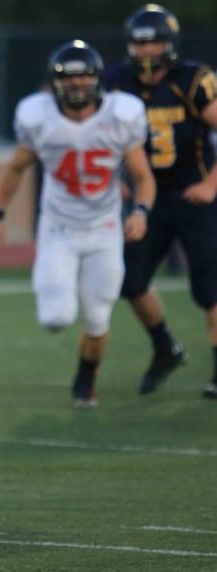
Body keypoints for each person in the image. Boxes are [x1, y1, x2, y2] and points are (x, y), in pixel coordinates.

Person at [0, 41, 155, 408]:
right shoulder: (39, 118)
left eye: (84, 76)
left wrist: (140, 212)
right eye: (69, 77)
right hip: (59, 230)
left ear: (97, 79)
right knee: (55, 318)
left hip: (105, 230)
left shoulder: (120, 116)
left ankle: (86, 375)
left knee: (97, 319)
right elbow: (16, 167)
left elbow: (143, 176)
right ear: (55, 84)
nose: (78, 84)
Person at [103, 5, 217, 399]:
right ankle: (164, 347)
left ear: (169, 44)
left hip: (193, 193)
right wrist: (111, 179)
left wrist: (212, 184)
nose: (147, 50)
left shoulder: (194, 80)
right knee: (131, 281)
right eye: (140, 42)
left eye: (154, 41)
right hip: (145, 197)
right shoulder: (115, 82)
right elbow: (95, 135)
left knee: (209, 285)